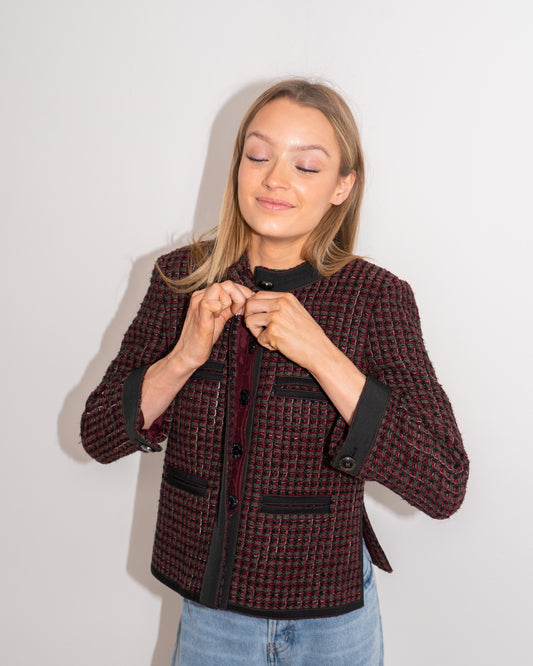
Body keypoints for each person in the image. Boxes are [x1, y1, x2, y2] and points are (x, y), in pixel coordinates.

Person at [81, 79, 469, 666]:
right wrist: (185, 356)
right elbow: (98, 436)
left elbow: (443, 483)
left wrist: (322, 354)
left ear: (343, 186)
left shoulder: (376, 298)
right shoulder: (182, 279)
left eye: (306, 166)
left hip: (334, 619)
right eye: (258, 156)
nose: (275, 180)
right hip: (212, 618)